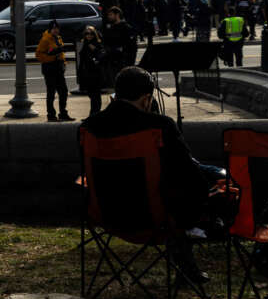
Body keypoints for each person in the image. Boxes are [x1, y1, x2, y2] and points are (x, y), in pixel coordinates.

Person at [82, 66, 214, 282]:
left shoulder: (90, 127)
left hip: (106, 214)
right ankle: (190, 264)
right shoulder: (160, 126)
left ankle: (189, 267)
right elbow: (190, 175)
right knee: (193, 184)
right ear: (146, 99)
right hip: (154, 217)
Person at [36, 20, 72, 121]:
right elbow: (38, 55)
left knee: (63, 92)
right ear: (50, 29)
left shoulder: (58, 38)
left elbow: (60, 53)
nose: (56, 30)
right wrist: (52, 57)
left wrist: (63, 62)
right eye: (53, 28)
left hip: (58, 68)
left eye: (57, 28)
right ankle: (51, 115)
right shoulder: (45, 39)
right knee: (51, 92)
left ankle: (63, 113)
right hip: (49, 68)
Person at [76, 25, 105, 118]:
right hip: (86, 73)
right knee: (91, 94)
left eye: (91, 34)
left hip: (95, 73)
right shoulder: (85, 44)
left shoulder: (96, 43)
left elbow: (101, 55)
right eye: (87, 33)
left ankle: (94, 114)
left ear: (94, 34)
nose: (89, 35)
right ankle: (94, 114)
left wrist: (95, 50)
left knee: (95, 95)